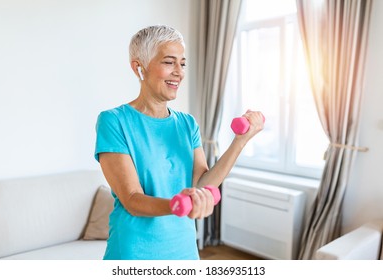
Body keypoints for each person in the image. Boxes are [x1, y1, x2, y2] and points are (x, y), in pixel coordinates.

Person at [94, 25, 264, 260]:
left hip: (184, 250)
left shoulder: (187, 123)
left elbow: (203, 183)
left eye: (182, 63)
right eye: (169, 62)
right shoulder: (113, 121)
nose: (179, 72)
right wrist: (180, 204)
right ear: (139, 67)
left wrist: (240, 142)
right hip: (134, 252)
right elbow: (132, 199)